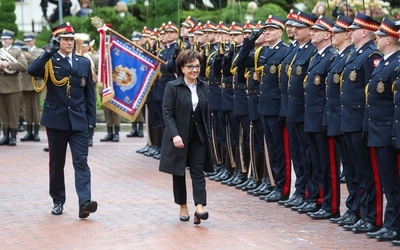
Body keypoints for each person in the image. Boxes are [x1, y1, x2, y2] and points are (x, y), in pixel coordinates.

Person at [27, 22, 97, 219]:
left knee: (81, 162)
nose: (69, 43)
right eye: (65, 39)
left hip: (79, 120)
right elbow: (32, 70)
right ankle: (58, 200)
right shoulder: (50, 60)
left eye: (71, 39)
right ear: (58, 41)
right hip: (56, 120)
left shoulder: (83, 62)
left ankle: (85, 202)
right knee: (56, 164)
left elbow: (89, 94)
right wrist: (49, 51)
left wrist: (91, 121)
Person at [159, 49, 213, 225]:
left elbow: (206, 113)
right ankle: (183, 205)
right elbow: (167, 113)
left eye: (197, 66)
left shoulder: (203, 86)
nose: (195, 70)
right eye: (190, 67)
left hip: (198, 136)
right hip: (179, 136)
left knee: (198, 171)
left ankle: (200, 207)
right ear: (182, 68)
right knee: (179, 172)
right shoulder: (172, 87)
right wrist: (174, 135)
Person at [0, 29, 28, 146]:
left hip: (13, 86)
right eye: (3, 39)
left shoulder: (17, 51)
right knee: (3, 113)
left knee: (13, 112)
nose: (4, 41)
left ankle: (13, 136)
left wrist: (8, 64)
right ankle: (5, 135)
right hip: (1, 86)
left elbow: (23, 65)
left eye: (6, 39)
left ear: (11, 40)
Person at [20, 32, 45, 143]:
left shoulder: (38, 51)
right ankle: (29, 131)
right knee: (27, 109)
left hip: (35, 82)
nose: (28, 43)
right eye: (26, 41)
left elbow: (38, 62)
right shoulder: (21, 52)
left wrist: (29, 57)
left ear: (34, 40)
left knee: (35, 108)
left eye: (29, 40)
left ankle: (36, 132)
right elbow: (20, 64)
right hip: (25, 83)